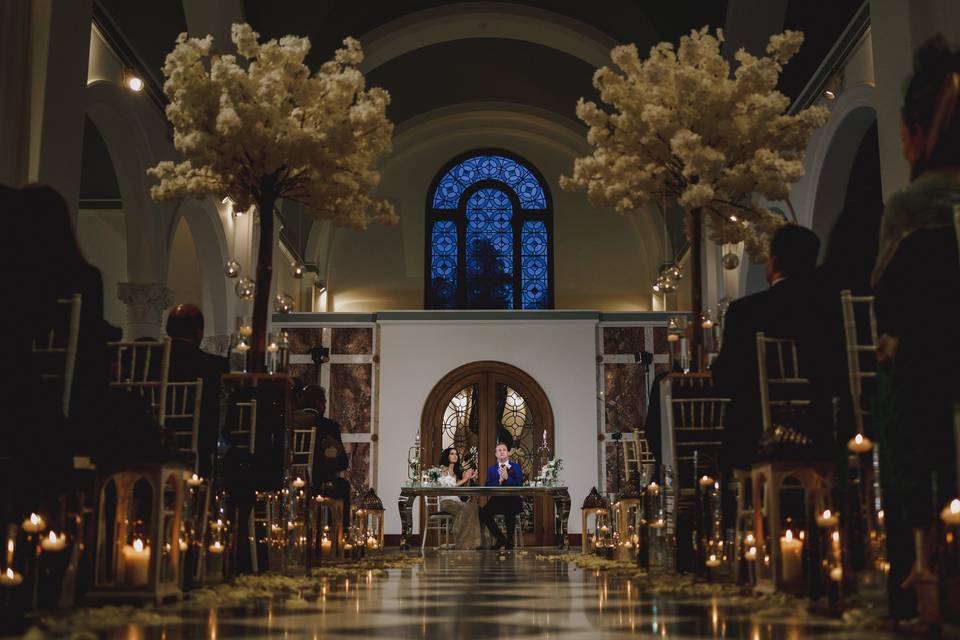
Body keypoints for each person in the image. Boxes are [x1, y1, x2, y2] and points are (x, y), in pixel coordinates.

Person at [871, 35, 960, 622]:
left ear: (917, 133)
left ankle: (917, 570)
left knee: (893, 391)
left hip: (933, 371)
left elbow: (889, 303)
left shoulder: (914, 202)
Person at [711, 223, 829, 467]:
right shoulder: (828, 309)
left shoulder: (746, 311)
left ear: (773, 262)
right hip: (821, 426)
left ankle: (743, 501)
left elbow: (726, 379)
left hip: (756, 435)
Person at [165, 303, 229, 477]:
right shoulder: (212, 364)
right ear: (198, 332)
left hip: (154, 434)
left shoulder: (149, 357)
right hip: (197, 441)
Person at [291, 385, 351, 529]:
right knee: (342, 486)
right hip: (319, 484)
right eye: (324, 402)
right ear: (318, 403)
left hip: (290, 483)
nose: (324, 406)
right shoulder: (328, 426)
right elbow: (342, 463)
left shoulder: (289, 422)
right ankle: (336, 535)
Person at [479, 442, 524, 550]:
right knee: (482, 513)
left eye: (504, 449)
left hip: (513, 499)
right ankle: (500, 538)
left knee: (510, 508)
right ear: (496, 454)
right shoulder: (492, 469)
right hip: (497, 500)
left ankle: (509, 540)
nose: (502, 452)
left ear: (508, 453)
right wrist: (499, 481)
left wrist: (508, 478)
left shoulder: (516, 467)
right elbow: (487, 485)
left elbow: (519, 484)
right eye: (499, 450)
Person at [436, 447, 481, 549]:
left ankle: (473, 543)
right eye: (452, 453)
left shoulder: (457, 472)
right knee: (465, 509)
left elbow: (462, 489)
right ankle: (462, 544)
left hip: (457, 501)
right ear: (447, 456)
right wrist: (464, 479)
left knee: (473, 508)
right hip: (446, 502)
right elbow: (447, 488)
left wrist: (470, 478)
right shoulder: (442, 469)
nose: (455, 456)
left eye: (456, 454)